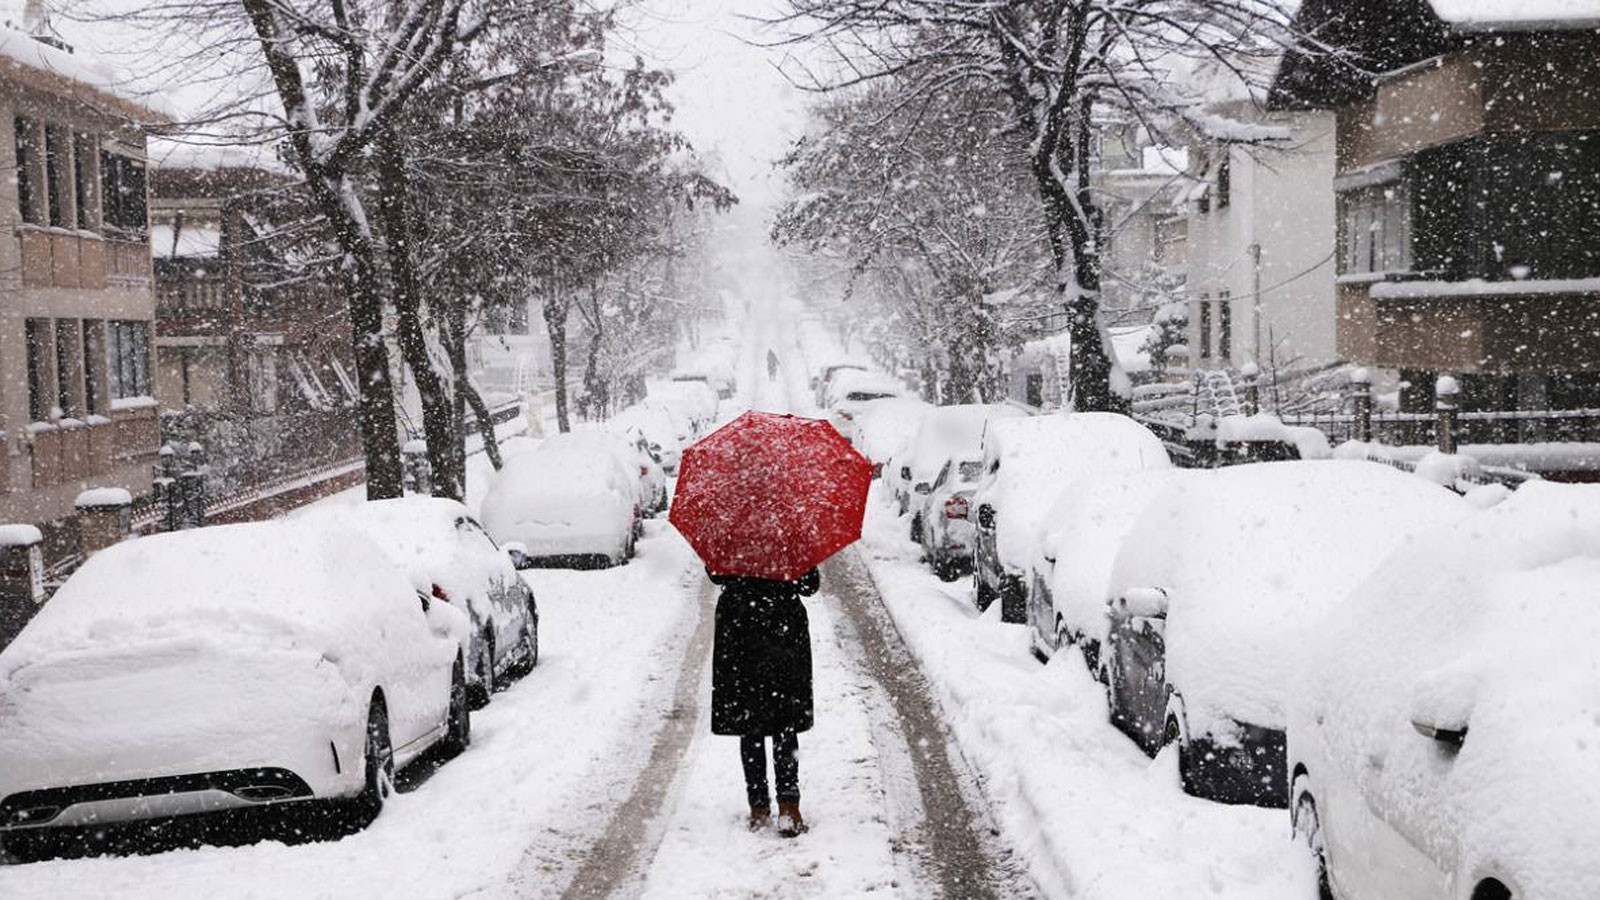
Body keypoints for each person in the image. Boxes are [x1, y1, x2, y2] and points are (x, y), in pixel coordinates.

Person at [709, 567, 821, 837]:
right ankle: (788, 807)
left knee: (751, 724)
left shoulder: (731, 532)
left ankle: (758, 807)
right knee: (784, 722)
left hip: (740, 630)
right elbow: (809, 585)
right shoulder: (790, 534)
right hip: (783, 630)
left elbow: (716, 574)